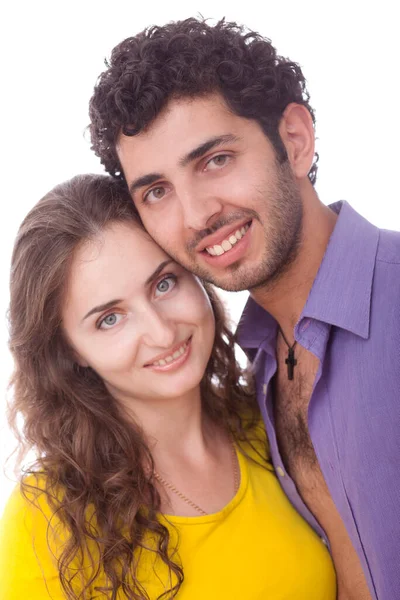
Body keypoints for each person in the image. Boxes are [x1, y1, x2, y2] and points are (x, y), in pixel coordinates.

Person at [88, 17, 400, 600]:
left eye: (215, 160)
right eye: (157, 191)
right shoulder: (255, 372)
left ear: (295, 140)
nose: (197, 214)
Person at [0, 174, 336, 599]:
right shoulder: (43, 519)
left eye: (164, 283)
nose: (161, 332)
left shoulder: (271, 420)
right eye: (110, 319)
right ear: (70, 350)